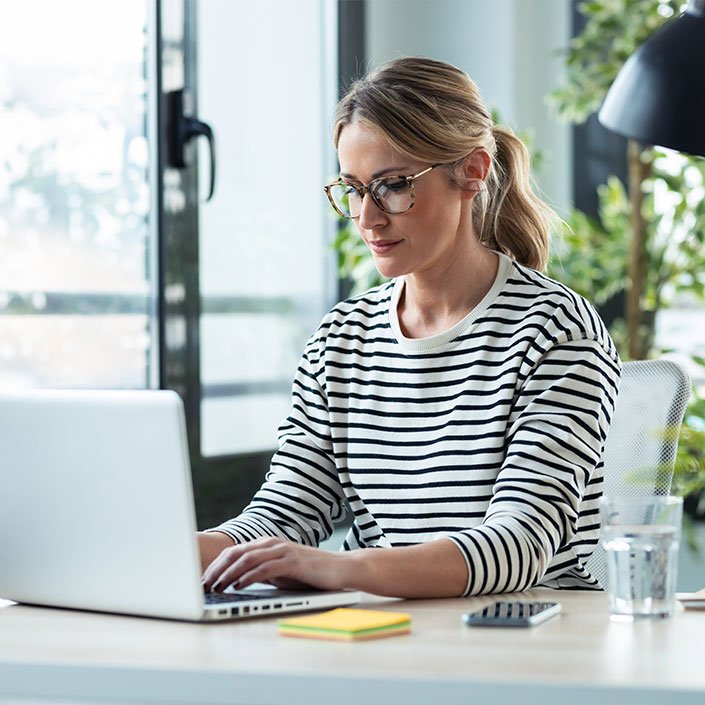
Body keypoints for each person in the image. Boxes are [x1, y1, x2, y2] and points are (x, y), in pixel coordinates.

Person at [199, 56, 621, 598]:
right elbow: (283, 516)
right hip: (384, 635)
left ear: (472, 171)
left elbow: (519, 543)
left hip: (520, 641)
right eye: (352, 189)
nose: (367, 218)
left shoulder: (556, 331)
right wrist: (175, 549)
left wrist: (338, 568)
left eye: (393, 185)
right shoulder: (341, 339)